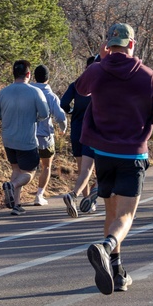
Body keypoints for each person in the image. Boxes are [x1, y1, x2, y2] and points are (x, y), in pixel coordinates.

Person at [77, 23, 153, 294]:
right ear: (132, 44)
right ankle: (105, 248)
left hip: (103, 154)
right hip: (132, 153)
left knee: (112, 214)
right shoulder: (147, 75)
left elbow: (81, 89)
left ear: (108, 44)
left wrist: (99, 60)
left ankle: (117, 272)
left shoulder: (96, 70)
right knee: (126, 215)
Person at [0, 60, 50, 216]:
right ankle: (13, 185)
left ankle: (16, 205)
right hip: (27, 139)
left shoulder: (4, 92)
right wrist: (35, 117)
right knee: (30, 172)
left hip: (8, 139)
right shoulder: (34, 92)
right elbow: (45, 114)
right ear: (28, 74)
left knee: (16, 169)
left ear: (13, 74)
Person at [60, 55, 99, 218]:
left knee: (83, 169)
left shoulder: (76, 85)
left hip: (77, 130)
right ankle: (89, 200)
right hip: (95, 131)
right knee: (98, 169)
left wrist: (72, 112)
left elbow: (63, 104)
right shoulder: (101, 85)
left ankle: (86, 199)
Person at [30, 64, 68, 206]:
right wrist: (63, 128)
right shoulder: (51, 96)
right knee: (46, 166)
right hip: (45, 136)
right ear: (48, 78)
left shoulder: (29, 92)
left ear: (34, 76)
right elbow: (60, 116)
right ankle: (39, 195)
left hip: (28, 135)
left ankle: (16, 190)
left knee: (27, 167)